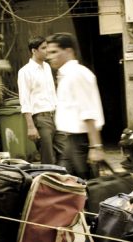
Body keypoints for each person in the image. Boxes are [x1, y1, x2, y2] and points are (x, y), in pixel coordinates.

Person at [46, 32, 105, 179]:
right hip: (69, 140)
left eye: (54, 52)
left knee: (87, 185)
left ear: (68, 51)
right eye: (48, 53)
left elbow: (88, 112)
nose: (49, 57)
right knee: (67, 183)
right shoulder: (65, 75)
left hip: (81, 142)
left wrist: (95, 147)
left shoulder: (76, 74)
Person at [17, 36, 58, 164]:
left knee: (61, 155)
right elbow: (25, 100)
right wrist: (30, 127)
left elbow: (52, 94)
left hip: (55, 116)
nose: (47, 50)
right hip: (41, 119)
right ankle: (47, 183)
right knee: (48, 159)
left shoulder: (47, 67)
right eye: (43, 48)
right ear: (34, 51)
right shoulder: (25, 72)